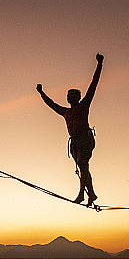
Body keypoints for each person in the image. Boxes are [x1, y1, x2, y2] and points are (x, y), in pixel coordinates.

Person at [36, 53, 104, 206]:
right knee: (83, 167)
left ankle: (82, 193)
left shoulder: (84, 105)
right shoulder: (66, 112)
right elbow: (51, 104)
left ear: (78, 97)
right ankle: (91, 193)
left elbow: (94, 84)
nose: (71, 97)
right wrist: (41, 93)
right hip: (75, 143)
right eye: (69, 95)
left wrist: (100, 64)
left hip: (85, 139)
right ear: (67, 99)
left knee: (82, 164)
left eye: (74, 95)